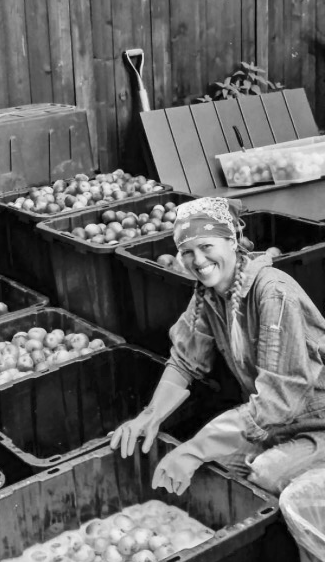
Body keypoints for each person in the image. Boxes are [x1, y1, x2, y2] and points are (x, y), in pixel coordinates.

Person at [110, 196, 325, 499]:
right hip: (273, 426)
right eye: (187, 252)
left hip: (316, 425)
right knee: (218, 471)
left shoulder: (273, 293)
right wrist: (151, 415)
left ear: (232, 242)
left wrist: (195, 449)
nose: (197, 260)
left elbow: (277, 401)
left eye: (206, 247)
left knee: (264, 473)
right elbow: (184, 362)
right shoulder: (208, 295)